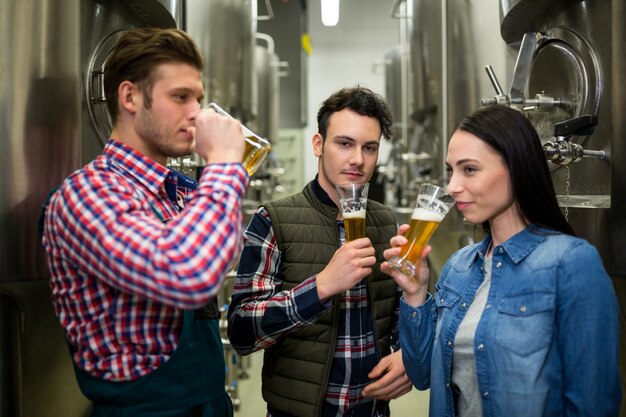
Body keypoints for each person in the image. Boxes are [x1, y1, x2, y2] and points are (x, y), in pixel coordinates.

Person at [41, 28, 249, 417]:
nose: (197, 113)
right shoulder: (86, 195)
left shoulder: (179, 191)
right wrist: (223, 164)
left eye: (198, 99)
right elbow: (187, 273)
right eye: (180, 97)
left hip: (207, 402)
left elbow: (221, 255)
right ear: (130, 97)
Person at [382, 104, 622, 416]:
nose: (452, 187)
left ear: (517, 167)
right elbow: (421, 374)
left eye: (469, 169)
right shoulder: (459, 267)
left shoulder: (571, 264)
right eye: (450, 171)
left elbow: (593, 404)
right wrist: (415, 294)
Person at [227, 86, 413, 417]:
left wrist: (407, 355)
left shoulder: (385, 221)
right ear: (318, 144)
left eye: (369, 147)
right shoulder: (275, 219)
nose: (358, 159)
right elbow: (242, 332)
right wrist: (322, 286)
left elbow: (395, 320)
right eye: (345, 143)